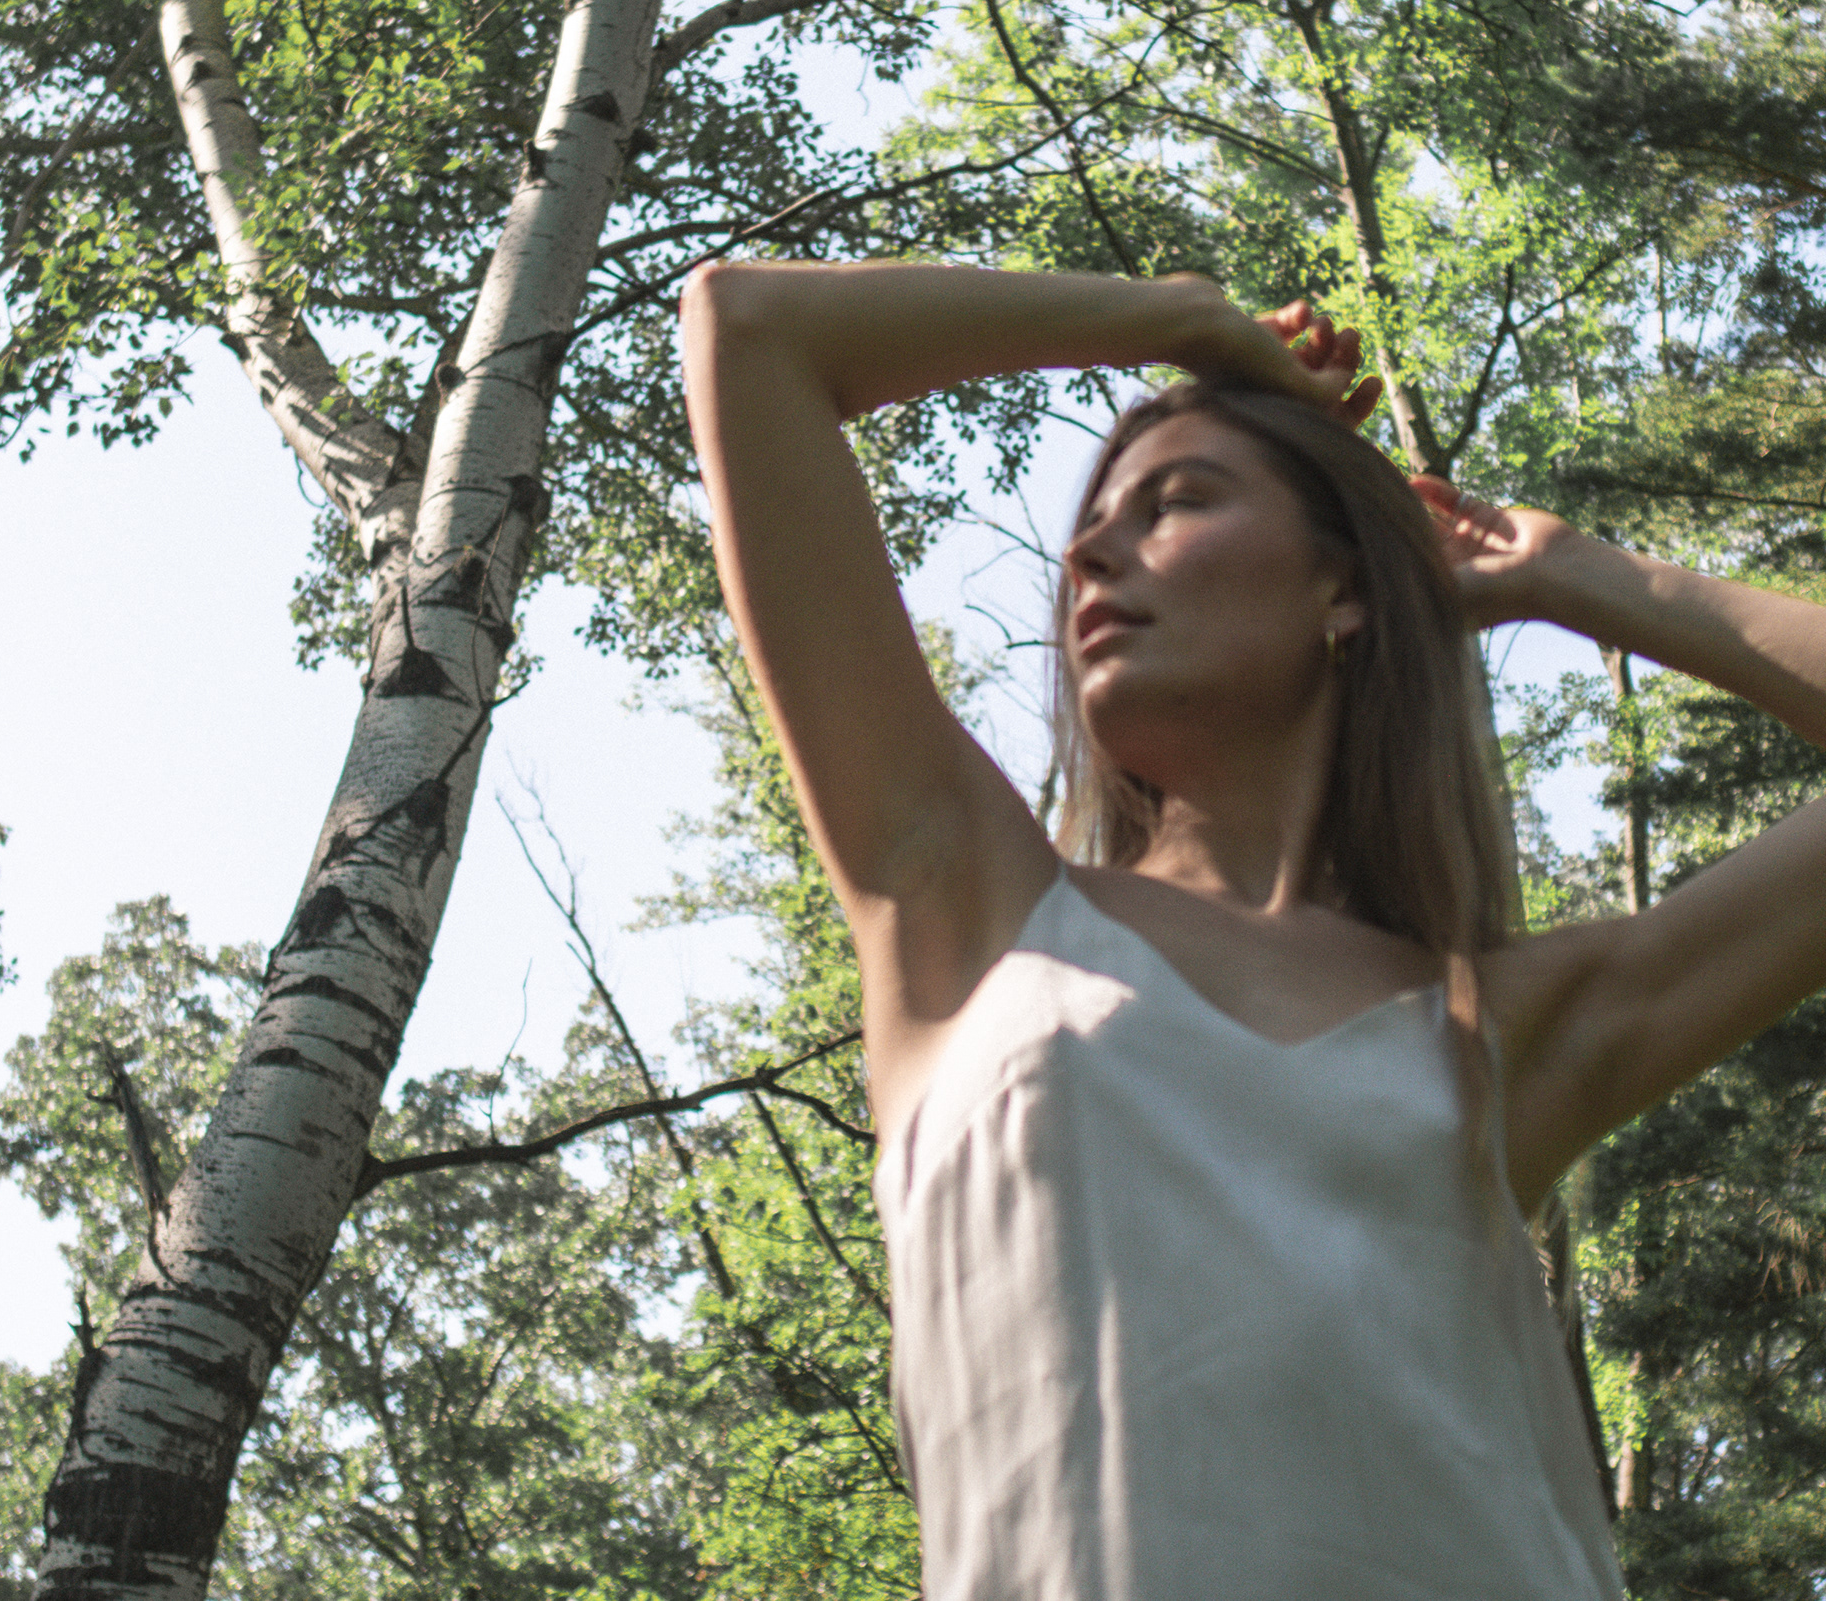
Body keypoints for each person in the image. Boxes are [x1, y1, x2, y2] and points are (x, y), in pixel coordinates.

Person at [679, 260, 1826, 1601]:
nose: (1088, 553)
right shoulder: (970, 911)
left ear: (1342, 590)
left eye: (1175, 502)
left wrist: (1576, 575)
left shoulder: (1494, 1032)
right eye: (1088, 527)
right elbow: (747, 328)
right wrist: (1177, 317)